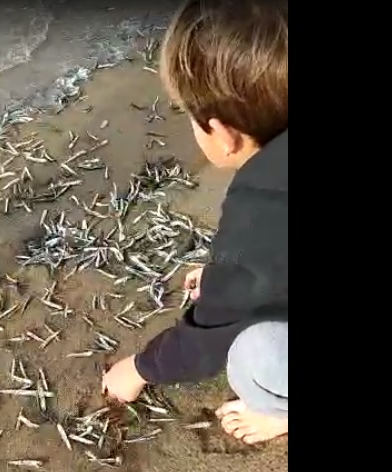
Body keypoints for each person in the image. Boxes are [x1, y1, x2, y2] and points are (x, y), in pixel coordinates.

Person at [101, 0, 288, 445]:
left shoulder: (263, 210)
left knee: (256, 355)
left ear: (224, 136)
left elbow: (213, 335)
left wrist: (138, 369)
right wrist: (236, 276)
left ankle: (281, 412)